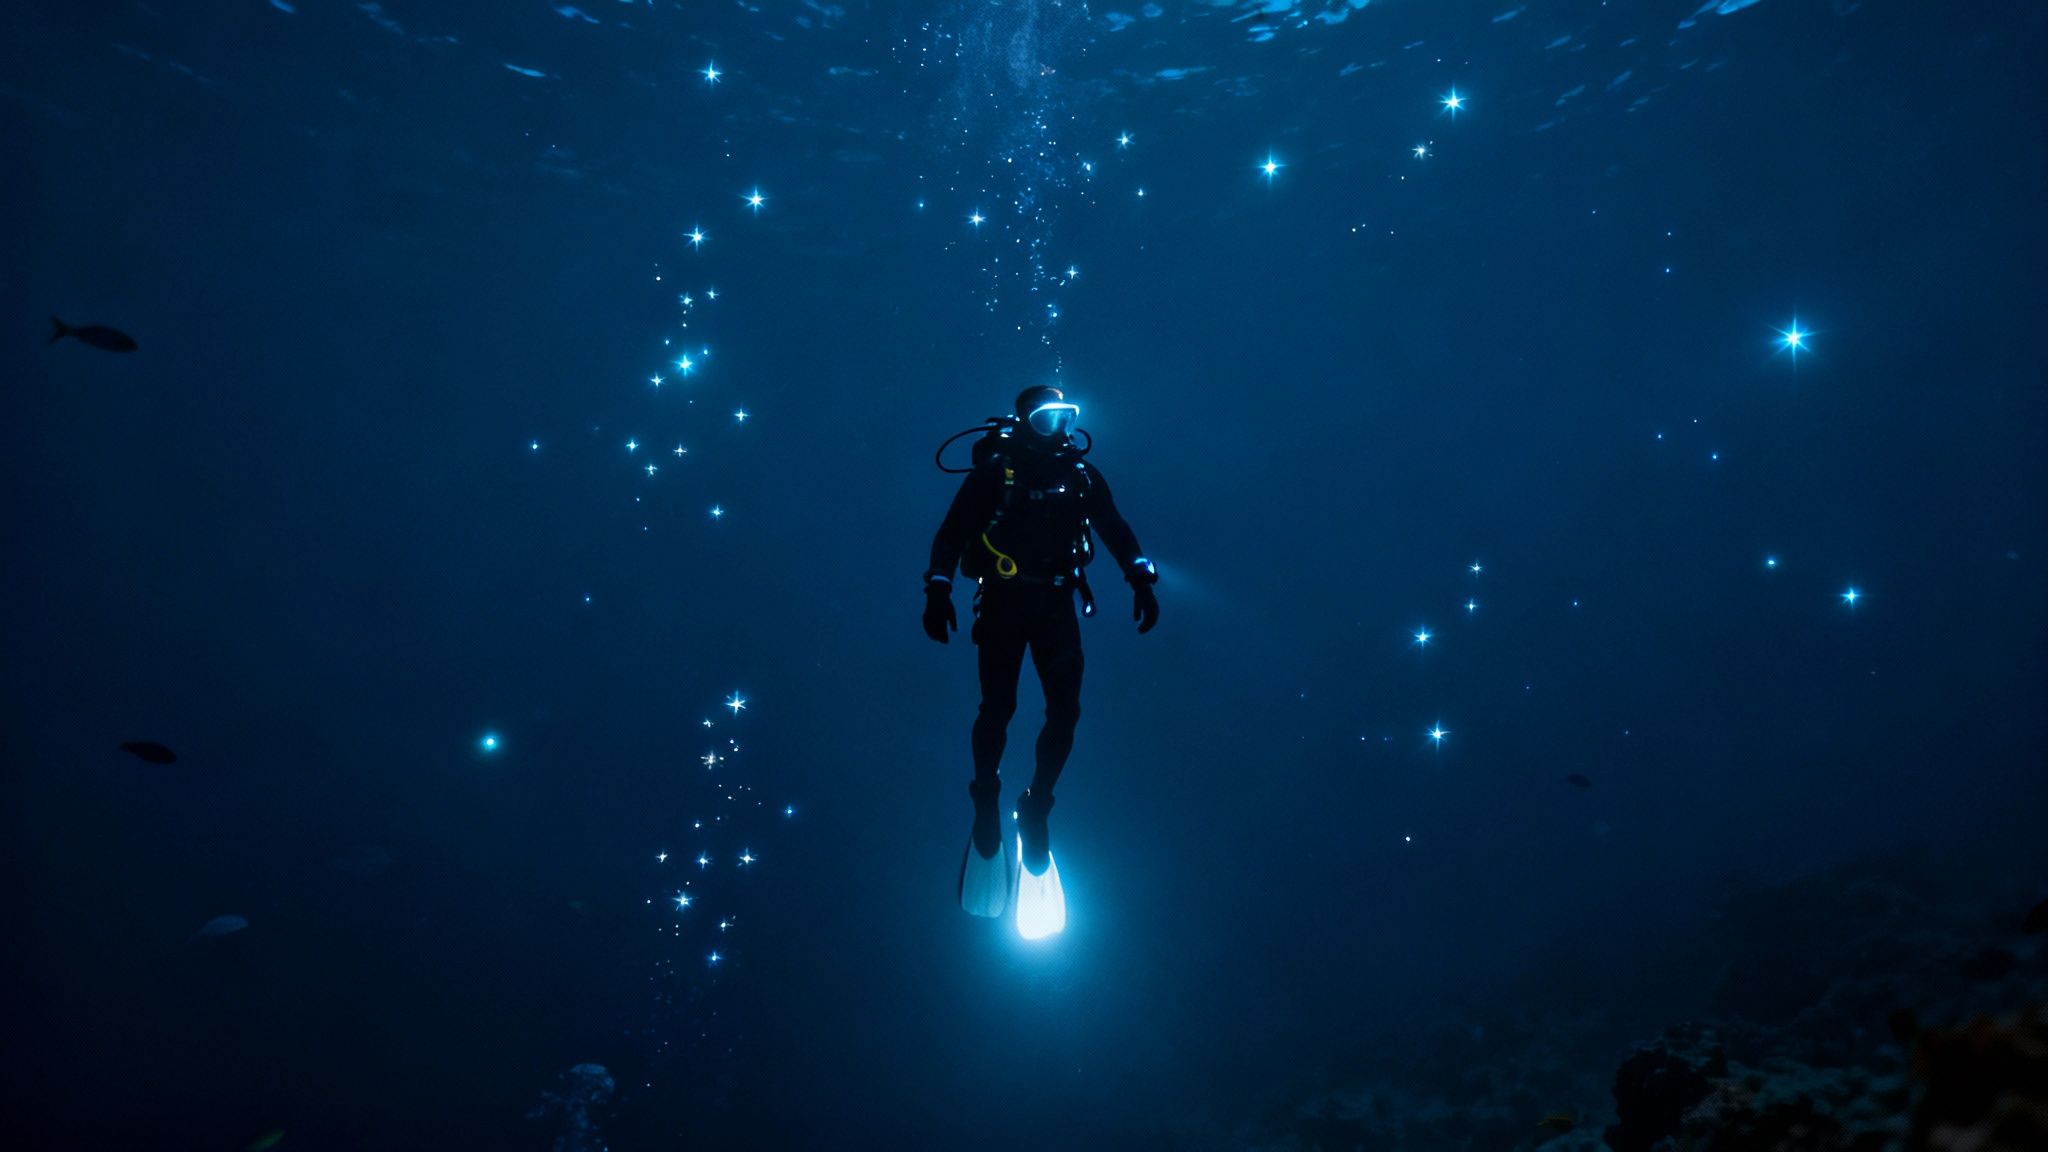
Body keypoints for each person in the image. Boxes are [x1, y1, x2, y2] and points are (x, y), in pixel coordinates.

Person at [923, 385, 1159, 885]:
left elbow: (1114, 527)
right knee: (997, 708)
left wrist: (1140, 578)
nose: (1062, 427)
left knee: (1066, 711)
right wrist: (938, 590)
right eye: (1049, 418)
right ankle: (985, 798)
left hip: (1056, 603)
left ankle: (1037, 806)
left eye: (1067, 416)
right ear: (1027, 420)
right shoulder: (996, 473)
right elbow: (951, 532)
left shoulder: (1080, 474)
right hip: (1006, 602)